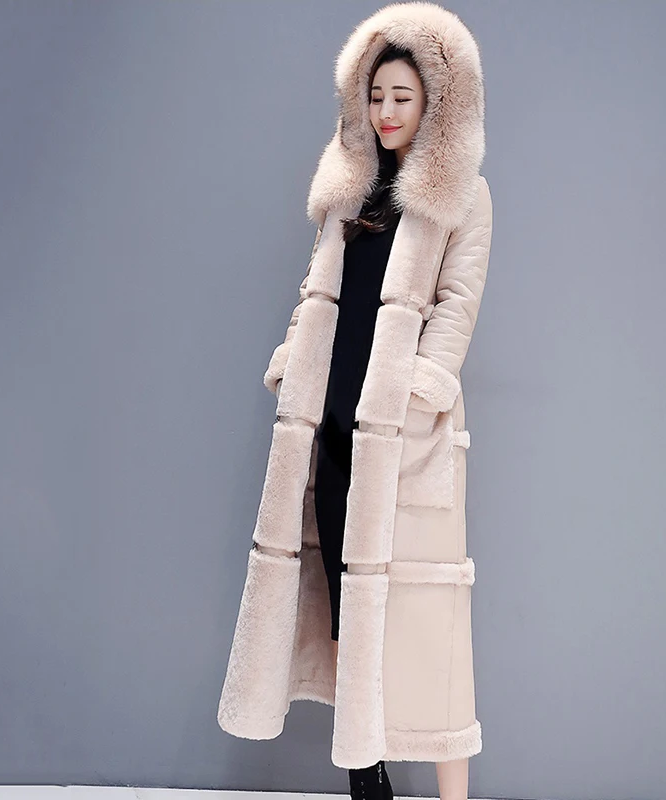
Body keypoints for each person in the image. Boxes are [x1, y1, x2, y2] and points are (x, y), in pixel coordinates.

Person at [218, 5, 493, 800]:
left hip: (404, 436)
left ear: (435, 98)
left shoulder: (464, 196)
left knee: (426, 626)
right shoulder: (349, 195)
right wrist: (291, 366)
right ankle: (364, 776)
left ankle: (453, 796)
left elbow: (457, 306)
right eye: (376, 97)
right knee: (349, 605)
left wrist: (419, 397)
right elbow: (315, 298)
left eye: (402, 96)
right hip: (334, 427)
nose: (387, 112)